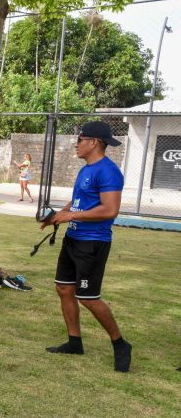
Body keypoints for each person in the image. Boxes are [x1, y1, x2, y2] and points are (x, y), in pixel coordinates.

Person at [42, 121, 132, 372]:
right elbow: (79, 199)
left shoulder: (109, 171)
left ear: (94, 142)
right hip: (73, 239)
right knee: (63, 289)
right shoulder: (86, 169)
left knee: (88, 298)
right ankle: (74, 342)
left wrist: (70, 217)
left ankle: (120, 344)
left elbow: (109, 209)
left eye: (80, 139)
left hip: (93, 242)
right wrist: (59, 215)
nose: (77, 144)